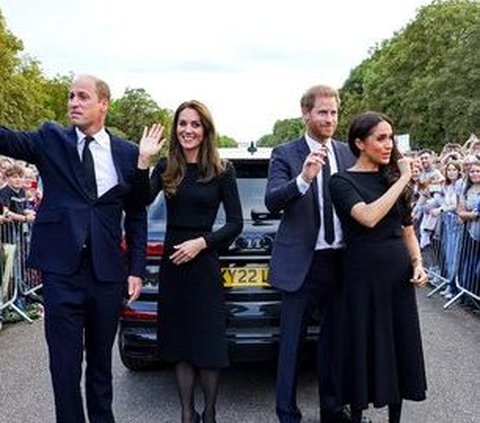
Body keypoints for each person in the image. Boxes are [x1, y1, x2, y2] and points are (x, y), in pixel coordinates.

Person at [0, 74, 150, 423]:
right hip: (62, 273)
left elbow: (137, 215)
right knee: (64, 368)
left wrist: (136, 270)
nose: (73, 103)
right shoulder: (51, 139)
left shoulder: (127, 153)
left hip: (107, 273)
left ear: (103, 104)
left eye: (83, 96)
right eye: (70, 96)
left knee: (100, 367)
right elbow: (7, 139)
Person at [139, 100, 243, 423]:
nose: (188, 130)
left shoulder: (222, 170)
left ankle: (209, 412)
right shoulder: (166, 167)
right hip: (174, 262)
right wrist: (144, 161)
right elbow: (140, 200)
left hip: (204, 260)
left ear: (206, 130)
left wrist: (202, 243)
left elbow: (235, 222)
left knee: (207, 341)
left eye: (195, 124)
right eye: (182, 124)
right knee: (180, 341)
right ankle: (187, 413)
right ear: (176, 128)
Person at [264, 85, 357, 423]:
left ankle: (333, 410)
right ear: (305, 113)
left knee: (334, 344)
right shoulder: (285, 153)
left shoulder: (348, 154)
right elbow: (272, 201)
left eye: (333, 112)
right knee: (291, 345)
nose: (329, 119)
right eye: (322, 112)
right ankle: (287, 414)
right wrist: (303, 178)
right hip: (302, 264)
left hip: (339, 262)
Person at [329, 111, 428, 423]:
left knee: (398, 346)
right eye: (381, 138)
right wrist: (402, 179)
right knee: (363, 344)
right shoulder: (341, 181)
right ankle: (357, 415)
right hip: (362, 277)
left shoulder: (391, 180)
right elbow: (369, 217)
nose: (389, 145)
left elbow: (408, 231)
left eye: (391, 138)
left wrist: (419, 263)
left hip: (397, 278)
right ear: (360, 143)